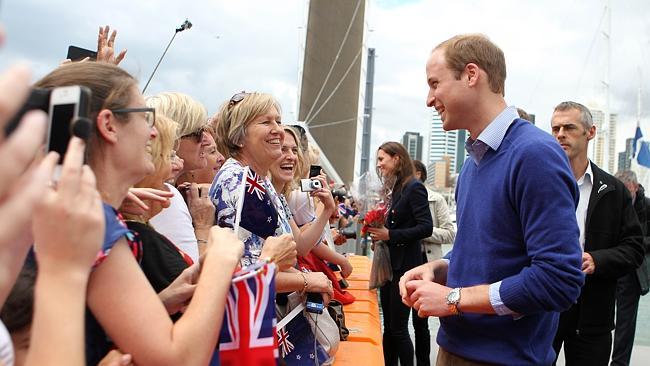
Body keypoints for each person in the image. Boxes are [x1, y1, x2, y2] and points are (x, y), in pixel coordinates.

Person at [34, 61, 251, 365]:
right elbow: (179, 359)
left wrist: (162, 300)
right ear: (109, 125)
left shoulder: (73, 208)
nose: (154, 133)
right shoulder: (89, 219)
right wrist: (219, 261)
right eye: (145, 117)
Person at [399, 34, 584, 365]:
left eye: (434, 83)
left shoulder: (534, 155)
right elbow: (487, 252)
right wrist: (440, 269)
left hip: (505, 358)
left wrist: (453, 298)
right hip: (457, 348)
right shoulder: (472, 164)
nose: (429, 99)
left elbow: (559, 280)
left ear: (471, 75)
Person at [210, 91, 334, 299]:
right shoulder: (241, 184)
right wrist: (306, 281)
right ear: (239, 137)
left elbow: (291, 250)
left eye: (278, 121)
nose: (278, 130)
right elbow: (242, 273)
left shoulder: (258, 180)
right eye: (266, 122)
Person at [550, 101, 644, 365]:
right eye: (555, 128)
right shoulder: (537, 182)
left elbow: (634, 248)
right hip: (543, 309)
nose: (560, 134)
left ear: (590, 132)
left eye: (569, 127)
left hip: (593, 317)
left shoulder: (614, 190)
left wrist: (597, 259)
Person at [368, 142, 432, 366]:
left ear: (397, 159)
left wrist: (390, 235)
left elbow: (426, 227)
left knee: (398, 329)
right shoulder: (392, 188)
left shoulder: (414, 187)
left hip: (405, 268)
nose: (379, 164)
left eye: (382, 159)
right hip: (390, 266)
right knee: (390, 328)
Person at [145, 92, 213, 261]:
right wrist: (203, 225)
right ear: (173, 138)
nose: (206, 139)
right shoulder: (165, 195)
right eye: (198, 132)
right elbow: (193, 279)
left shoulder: (148, 190)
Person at [410, 160, 455, 366]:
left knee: (422, 322)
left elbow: (450, 233)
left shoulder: (436, 200)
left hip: (429, 263)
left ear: (418, 174)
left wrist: (423, 230)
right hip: (405, 263)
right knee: (399, 324)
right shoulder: (400, 198)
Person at [612, 170, 650, 366]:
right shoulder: (611, 201)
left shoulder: (648, 206)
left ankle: (619, 363)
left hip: (632, 271)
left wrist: (634, 243)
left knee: (626, 324)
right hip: (610, 267)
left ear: (635, 187)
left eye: (627, 193)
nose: (623, 198)